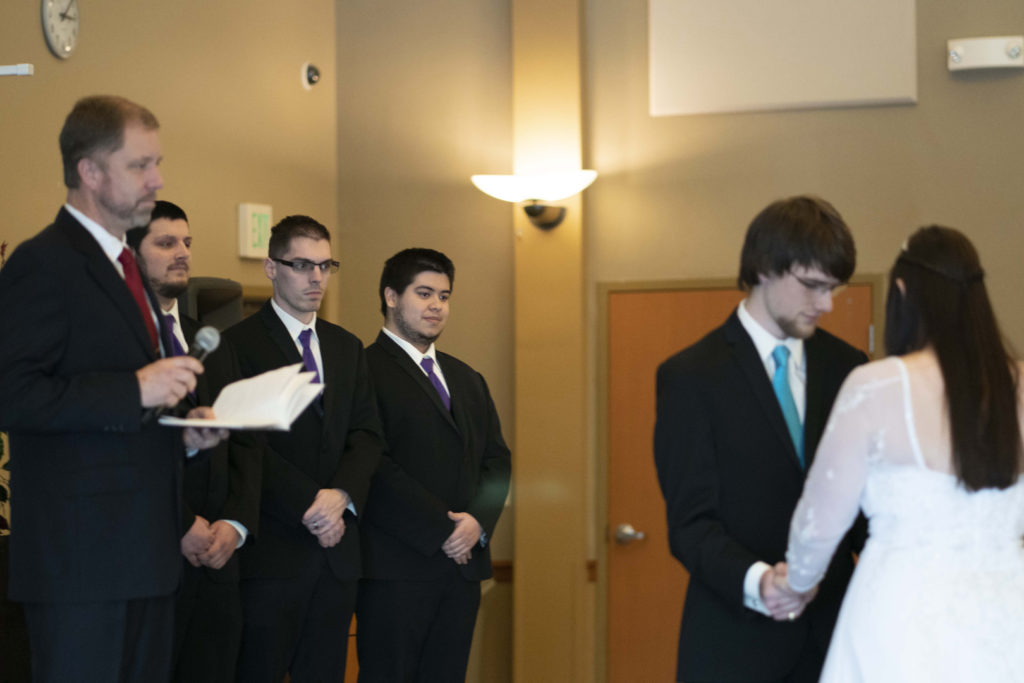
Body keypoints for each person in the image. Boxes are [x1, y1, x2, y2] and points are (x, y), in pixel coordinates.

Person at [0, 95, 225, 683]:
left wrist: (183, 434)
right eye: (139, 165)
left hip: (145, 559)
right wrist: (134, 391)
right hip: (80, 565)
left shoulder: (127, 270)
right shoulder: (42, 263)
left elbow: (124, 410)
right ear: (90, 172)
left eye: (157, 163)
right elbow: (12, 394)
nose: (157, 179)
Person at [780, 226, 1024, 682]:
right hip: (1006, 612)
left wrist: (796, 582)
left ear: (902, 292)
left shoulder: (877, 385)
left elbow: (821, 521)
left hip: (900, 612)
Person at [654, 195, 869, 683]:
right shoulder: (691, 377)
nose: (827, 304)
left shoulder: (850, 368)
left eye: (833, 289)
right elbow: (690, 523)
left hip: (837, 641)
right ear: (765, 268)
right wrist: (761, 581)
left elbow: (864, 508)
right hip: (734, 645)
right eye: (813, 285)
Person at [218, 215, 382, 682]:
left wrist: (340, 497)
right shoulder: (238, 345)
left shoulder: (346, 346)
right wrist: (311, 504)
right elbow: (245, 442)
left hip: (336, 556)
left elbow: (367, 434)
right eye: (302, 265)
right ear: (271, 268)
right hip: (273, 553)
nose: (316, 278)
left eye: (325, 265)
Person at [356, 248, 511, 683]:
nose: (436, 306)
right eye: (423, 294)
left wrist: (477, 523)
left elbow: (497, 460)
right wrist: (443, 528)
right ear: (391, 297)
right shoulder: (363, 371)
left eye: (444, 296)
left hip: (462, 567)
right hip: (395, 568)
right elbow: (373, 463)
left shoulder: (467, 378)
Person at [127, 201, 259, 683]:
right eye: (166, 243)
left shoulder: (213, 341)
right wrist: (180, 524)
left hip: (218, 564)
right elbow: (122, 450)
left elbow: (243, 443)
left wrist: (235, 524)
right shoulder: (118, 341)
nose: (182, 253)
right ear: (131, 255)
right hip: (149, 561)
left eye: (187, 243)